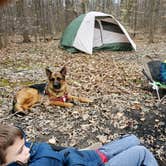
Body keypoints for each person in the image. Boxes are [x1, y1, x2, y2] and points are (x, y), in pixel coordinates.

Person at [0, 125, 158, 166]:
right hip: (94, 162)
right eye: (21, 150)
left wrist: (72, 153)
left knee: (133, 139)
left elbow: (58, 151)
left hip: (91, 155)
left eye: (24, 144)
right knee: (141, 151)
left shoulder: (25, 154)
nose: (27, 148)